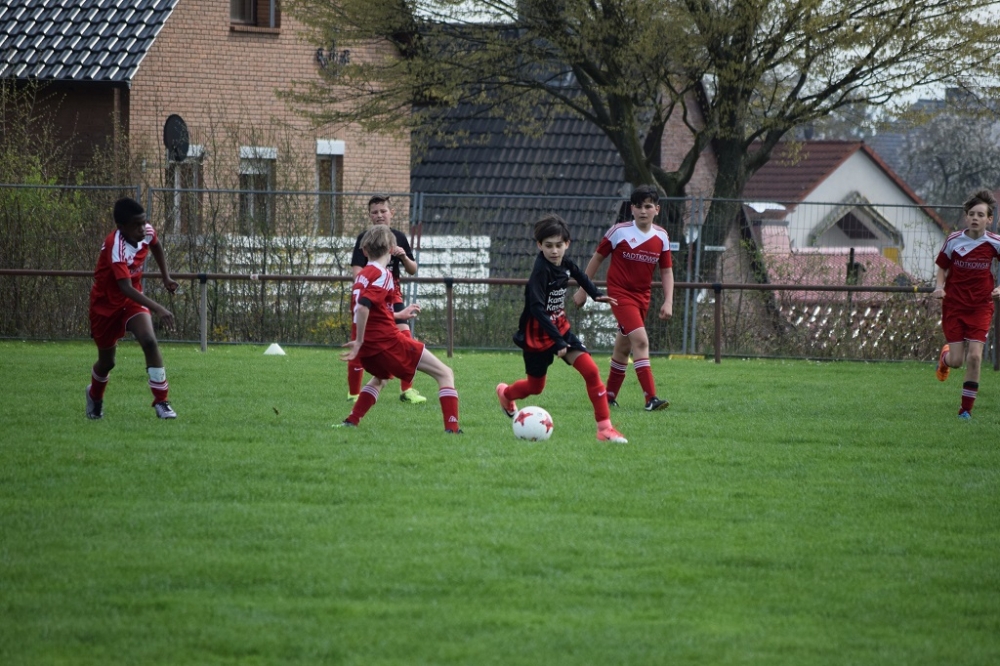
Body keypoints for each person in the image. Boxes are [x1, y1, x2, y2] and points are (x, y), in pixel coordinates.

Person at [496, 214, 628, 443]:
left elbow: (579, 274)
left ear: (567, 243)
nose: (554, 251)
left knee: (591, 371)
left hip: (560, 328)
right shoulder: (540, 271)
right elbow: (537, 309)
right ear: (539, 245)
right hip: (537, 335)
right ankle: (506, 394)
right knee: (535, 387)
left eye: (559, 245)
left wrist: (596, 294)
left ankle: (604, 429)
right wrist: (557, 341)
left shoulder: (565, 263)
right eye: (548, 246)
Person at [337, 225, 462, 433]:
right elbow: (364, 306)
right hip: (387, 342)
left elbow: (367, 309)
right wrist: (358, 341)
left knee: (381, 379)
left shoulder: (362, 275)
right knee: (445, 373)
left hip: (370, 347)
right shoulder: (384, 274)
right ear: (391, 249)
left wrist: (397, 315)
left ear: (365, 250)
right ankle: (453, 428)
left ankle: (351, 421)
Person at [573, 184, 674, 411]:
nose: (643, 211)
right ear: (632, 209)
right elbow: (597, 259)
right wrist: (583, 290)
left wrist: (668, 301)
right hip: (619, 294)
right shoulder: (619, 231)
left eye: (648, 206)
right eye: (638, 206)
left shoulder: (661, 236)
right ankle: (651, 398)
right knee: (641, 340)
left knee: (623, 348)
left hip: (643, 297)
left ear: (656, 209)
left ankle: (608, 396)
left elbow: (667, 271)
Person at [85, 197, 179, 420]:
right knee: (107, 362)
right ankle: (94, 395)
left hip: (132, 301)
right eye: (136, 225)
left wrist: (166, 277)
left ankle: (162, 401)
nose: (142, 229)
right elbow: (124, 287)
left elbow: (156, 245)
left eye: (143, 222)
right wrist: (158, 308)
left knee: (149, 341)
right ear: (121, 227)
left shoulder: (146, 231)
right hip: (105, 306)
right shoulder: (115, 245)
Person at [346, 195, 427, 404]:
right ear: (369, 216)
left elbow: (412, 269)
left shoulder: (398, 237)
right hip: (371, 294)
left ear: (392, 213)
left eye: (383, 211)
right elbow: (357, 272)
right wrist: (370, 281)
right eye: (375, 212)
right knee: (361, 342)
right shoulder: (365, 239)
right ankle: (354, 393)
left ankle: (407, 390)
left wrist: (403, 257)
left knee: (406, 339)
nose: (379, 215)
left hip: (393, 293)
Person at [932, 189, 1000, 420]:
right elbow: (942, 266)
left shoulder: (994, 242)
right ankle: (945, 358)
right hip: (954, 306)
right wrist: (939, 287)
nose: (975, 218)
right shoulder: (954, 240)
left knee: (975, 357)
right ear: (966, 217)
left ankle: (965, 411)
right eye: (971, 214)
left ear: (989, 219)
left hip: (981, 306)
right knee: (957, 361)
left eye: (980, 215)